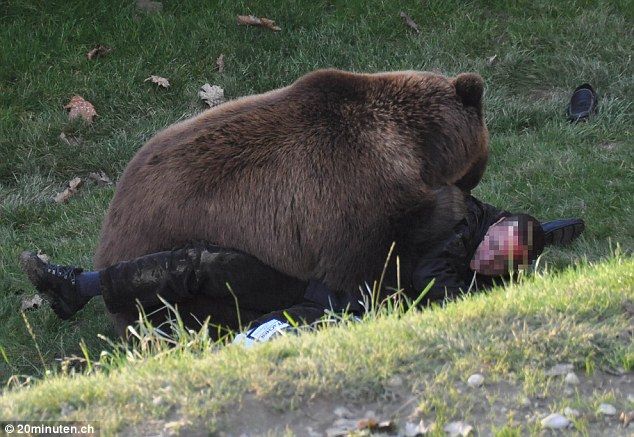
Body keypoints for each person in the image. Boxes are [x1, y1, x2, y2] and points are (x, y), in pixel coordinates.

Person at [19, 194, 584, 346]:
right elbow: (519, 234)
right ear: (500, 222)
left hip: (339, 310)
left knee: (264, 341)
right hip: (315, 272)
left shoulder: (469, 282)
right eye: (498, 244)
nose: (492, 255)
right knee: (204, 265)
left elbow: (433, 290)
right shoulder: (463, 218)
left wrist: (543, 243)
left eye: (502, 262)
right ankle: (82, 286)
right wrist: (541, 236)